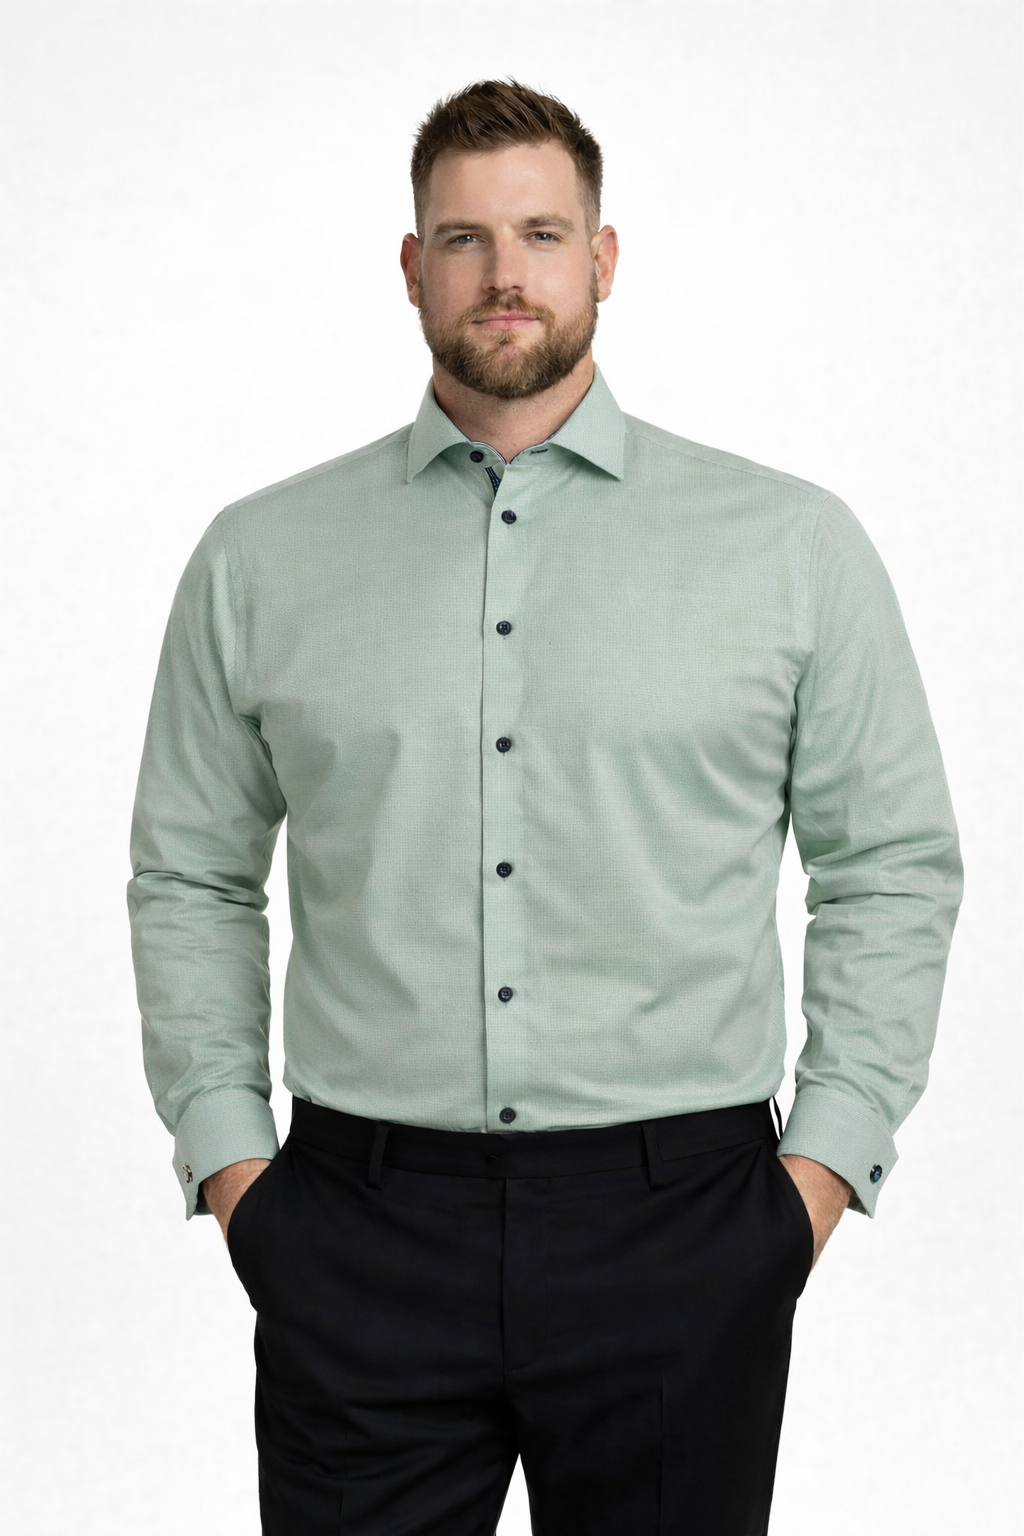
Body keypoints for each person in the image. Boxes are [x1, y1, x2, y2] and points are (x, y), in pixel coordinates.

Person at [126, 77, 963, 1535]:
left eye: (541, 234)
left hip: (685, 1222)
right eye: (463, 238)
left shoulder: (791, 547)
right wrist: (234, 1162)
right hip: (358, 1227)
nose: (503, 273)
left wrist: (818, 1173)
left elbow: (889, 865)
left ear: (604, 258)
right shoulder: (260, 558)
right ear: (411, 268)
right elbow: (191, 871)